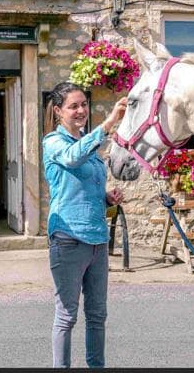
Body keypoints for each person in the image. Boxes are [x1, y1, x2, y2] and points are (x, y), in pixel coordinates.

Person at [42, 82, 128, 368]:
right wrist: (109, 123)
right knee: (67, 315)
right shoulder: (54, 142)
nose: (81, 111)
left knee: (97, 314)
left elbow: (80, 186)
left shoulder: (89, 146)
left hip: (97, 238)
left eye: (83, 104)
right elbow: (72, 158)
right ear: (58, 111)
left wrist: (106, 197)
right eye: (73, 106)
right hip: (68, 238)